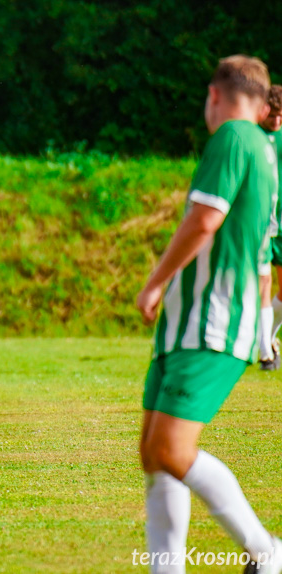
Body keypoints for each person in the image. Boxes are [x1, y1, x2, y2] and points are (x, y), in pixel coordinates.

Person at [136, 56, 282, 573]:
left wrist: (154, 282)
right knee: (155, 454)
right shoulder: (264, 150)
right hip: (194, 319)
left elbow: (205, 220)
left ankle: (267, 551)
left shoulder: (234, 138)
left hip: (213, 319)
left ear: (215, 95)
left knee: (172, 450)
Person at [257, 85, 282, 370]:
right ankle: (265, 350)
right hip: (261, 221)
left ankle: (267, 337)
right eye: (272, 115)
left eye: (281, 116)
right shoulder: (254, 137)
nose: (276, 121)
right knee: (264, 282)